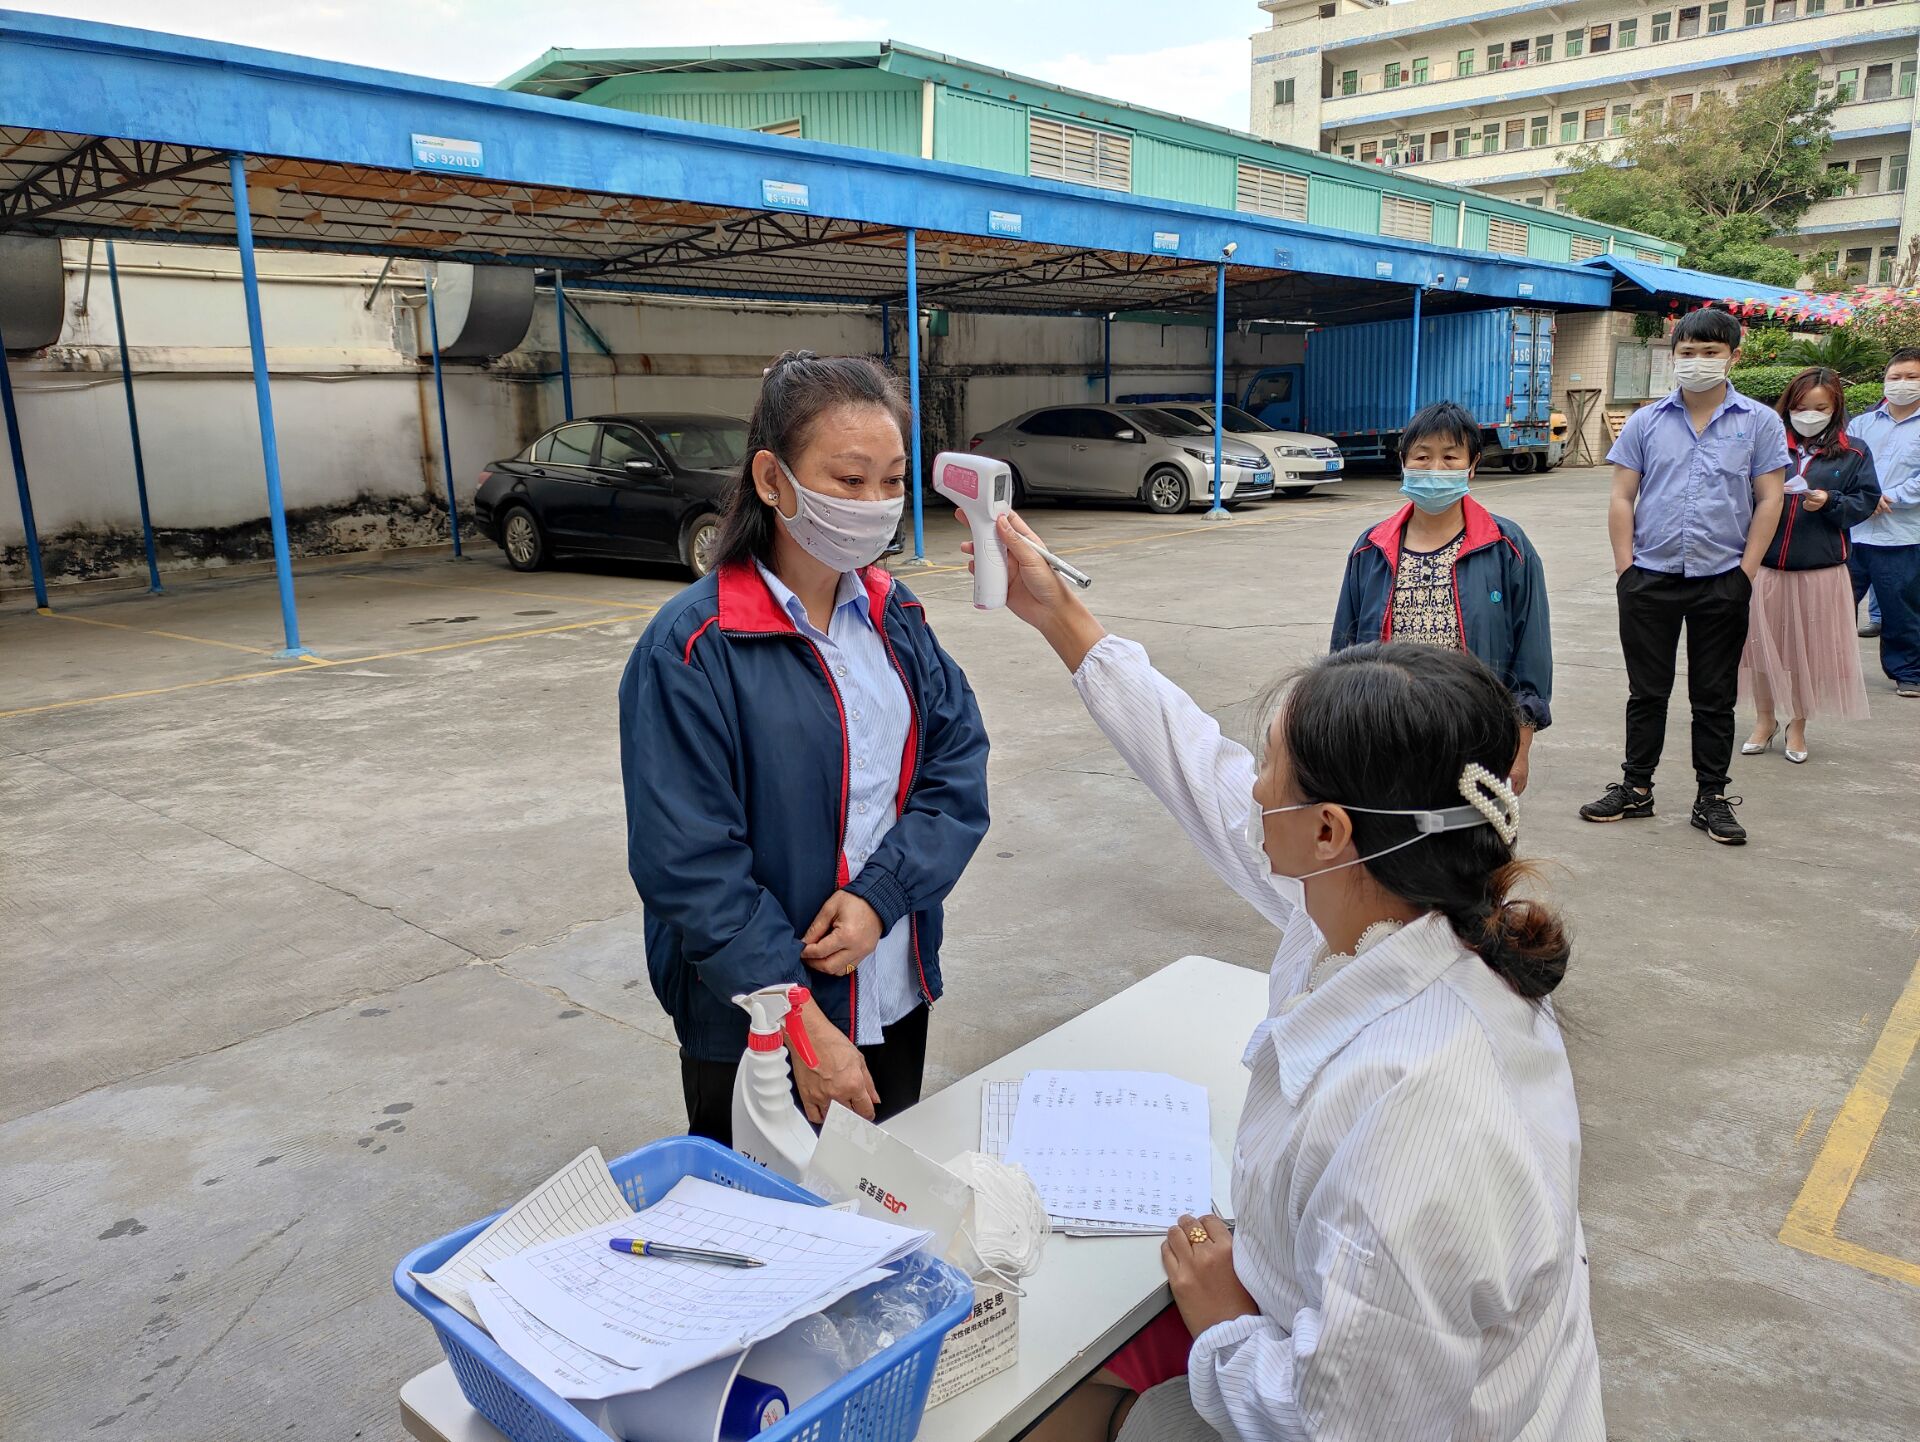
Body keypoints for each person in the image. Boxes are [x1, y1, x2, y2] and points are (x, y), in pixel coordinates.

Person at [978, 510, 1601, 1442]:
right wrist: (1062, 618)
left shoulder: (1420, 1115)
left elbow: (1350, 1422)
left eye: (1270, 764)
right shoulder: (1388, 908)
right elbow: (1195, 769)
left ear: (1328, 831)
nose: (1253, 786)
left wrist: (1225, 1321)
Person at [619, 351, 990, 1142]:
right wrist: (800, 1024)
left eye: (893, 481)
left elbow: (957, 770)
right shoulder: (694, 648)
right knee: (766, 1210)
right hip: (757, 1024)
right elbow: (689, 864)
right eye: (850, 480)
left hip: (890, 988)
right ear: (771, 479)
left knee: (880, 1192)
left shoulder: (895, 616)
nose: (876, 505)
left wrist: (881, 897)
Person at [1580, 308, 1787, 845]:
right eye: (1688, 352)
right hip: (1649, 576)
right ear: (1674, 356)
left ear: (1732, 356)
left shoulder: (1759, 422)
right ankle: (1636, 788)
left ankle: (1711, 797)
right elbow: (1622, 496)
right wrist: (1625, 568)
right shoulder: (1646, 421)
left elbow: (1769, 500)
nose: (1698, 362)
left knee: (1714, 696)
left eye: (1710, 352)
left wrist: (1746, 573)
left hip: (1722, 577)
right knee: (1646, 691)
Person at [1332, 399, 1552, 793]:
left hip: (1475, 735)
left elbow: (1530, 656)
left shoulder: (1507, 547)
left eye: (1450, 457)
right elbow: (1342, 654)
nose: (1436, 469)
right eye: (1422, 456)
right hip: (1384, 733)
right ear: (1403, 461)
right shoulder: (1371, 548)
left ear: (1473, 464)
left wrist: (1520, 749)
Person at [1738, 369, 1880, 763]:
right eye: (1800, 407)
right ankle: (1764, 721)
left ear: (1835, 408)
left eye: (1820, 407)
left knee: (1807, 656)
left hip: (1820, 570)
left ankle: (1797, 725)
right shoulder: (1766, 445)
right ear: (1787, 407)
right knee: (1759, 650)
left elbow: (1865, 501)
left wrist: (1830, 501)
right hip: (1765, 567)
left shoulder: (1853, 452)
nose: (1809, 415)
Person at [1846, 348, 1920, 699]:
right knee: (1835, 603)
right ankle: (1830, 666)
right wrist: (1863, 498)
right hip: (1854, 532)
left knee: (1901, 608)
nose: (1902, 383)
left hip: (1902, 536)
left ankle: (1908, 672)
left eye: (1912, 377)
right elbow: (1844, 464)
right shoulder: (1861, 424)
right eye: (1895, 377)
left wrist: (1888, 497)